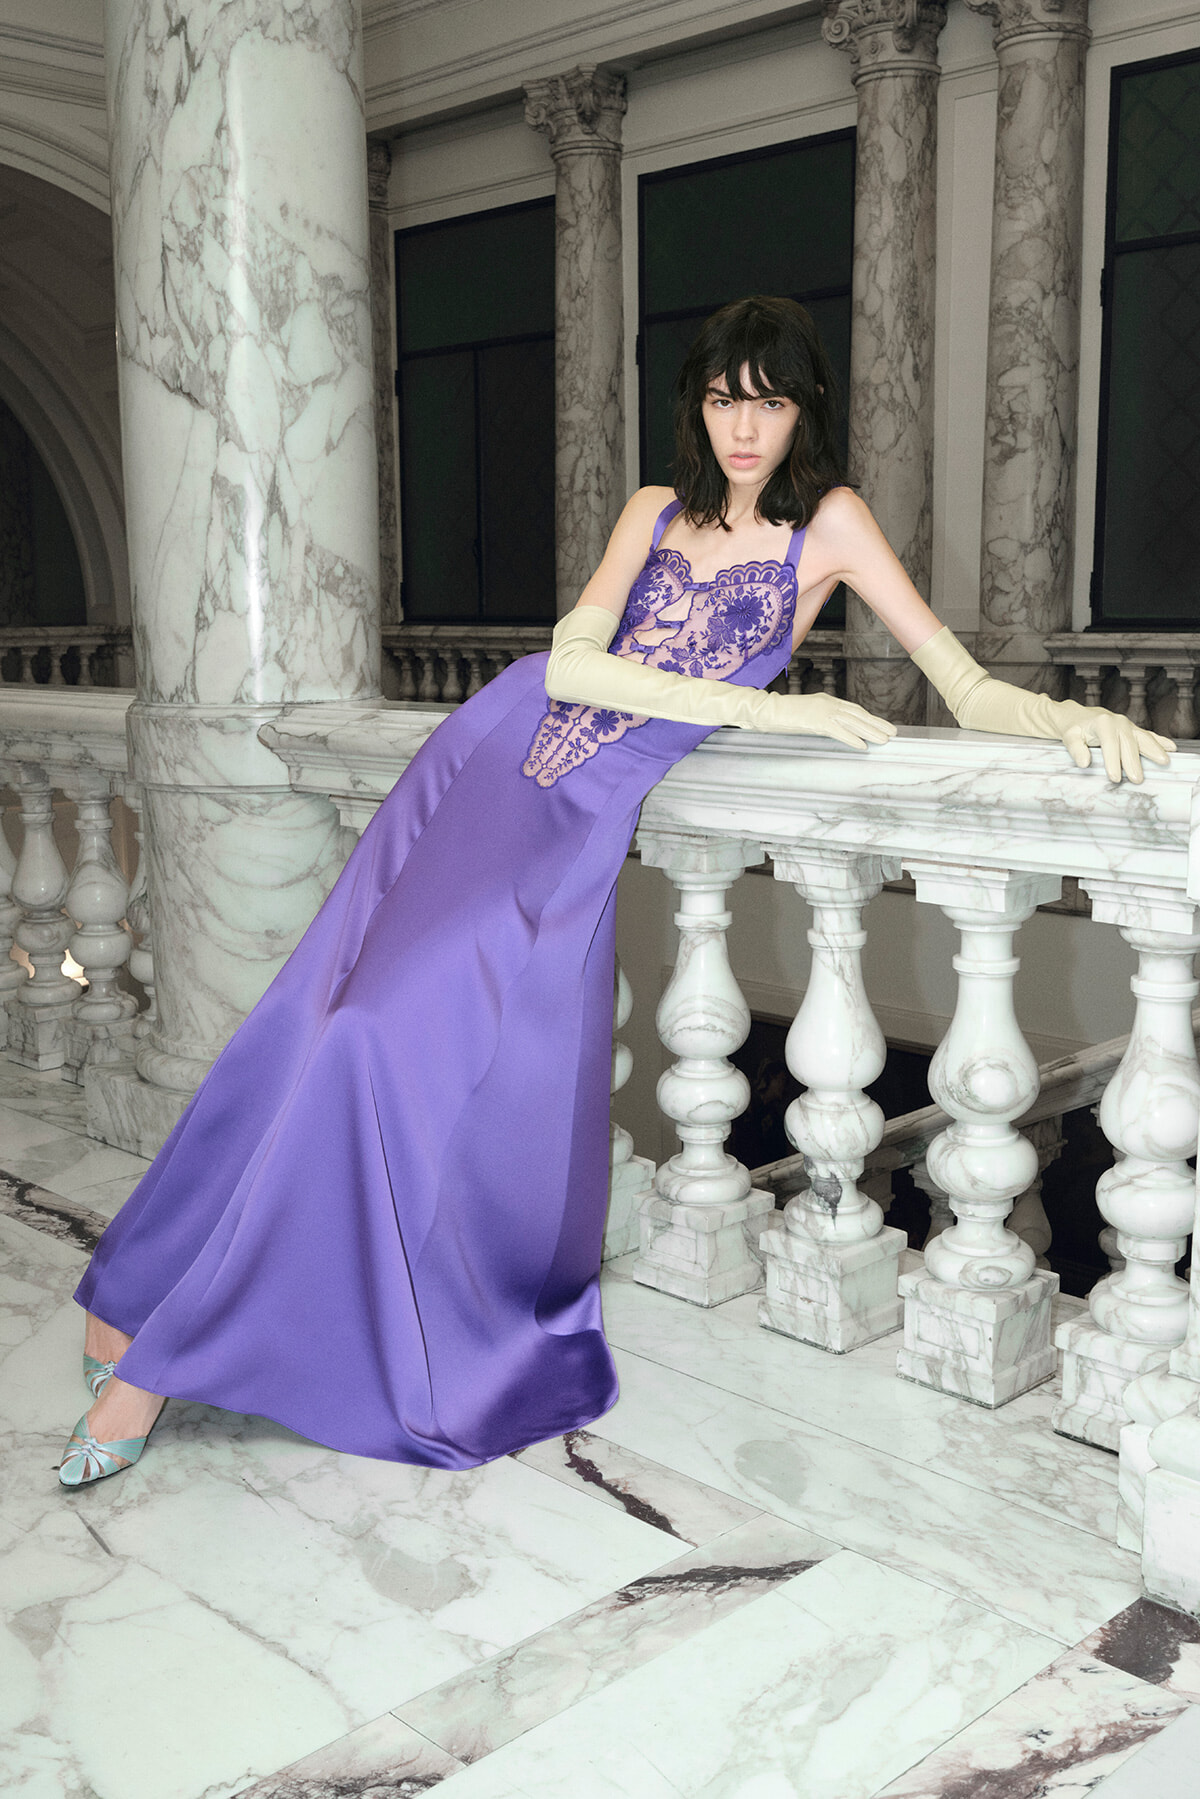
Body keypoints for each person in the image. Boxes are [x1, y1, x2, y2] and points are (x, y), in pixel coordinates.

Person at [59, 295, 1172, 1487]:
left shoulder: (832, 524)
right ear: (698, 405)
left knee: (372, 1037)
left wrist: (1070, 719)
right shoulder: (653, 509)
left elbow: (963, 685)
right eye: (724, 399)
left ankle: (176, 1342)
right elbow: (575, 662)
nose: (745, 427)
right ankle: (146, 1287)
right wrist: (763, 707)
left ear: (806, 412)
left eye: (770, 402)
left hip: (584, 813)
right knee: (323, 1010)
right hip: (492, 763)